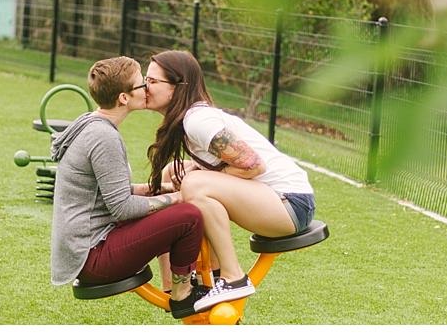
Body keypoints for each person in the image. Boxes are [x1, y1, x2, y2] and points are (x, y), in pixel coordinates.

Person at [145, 50, 316, 312]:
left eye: (152, 81)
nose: (145, 87)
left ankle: (232, 277)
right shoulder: (189, 121)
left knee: (194, 183)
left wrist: (202, 176)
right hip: (275, 200)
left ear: (178, 87)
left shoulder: (197, 121)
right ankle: (182, 288)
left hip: (290, 204)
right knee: (174, 173)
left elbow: (253, 164)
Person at [50, 56, 207, 319]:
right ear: (124, 98)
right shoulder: (103, 137)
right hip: (93, 256)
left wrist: (163, 188)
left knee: (175, 208)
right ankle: (182, 294)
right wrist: (180, 197)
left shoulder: (93, 124)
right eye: (141, 84)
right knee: (189, 217)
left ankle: (176, 286)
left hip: (91, 246)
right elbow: (122, 208)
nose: (147, 88)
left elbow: (114, 192)